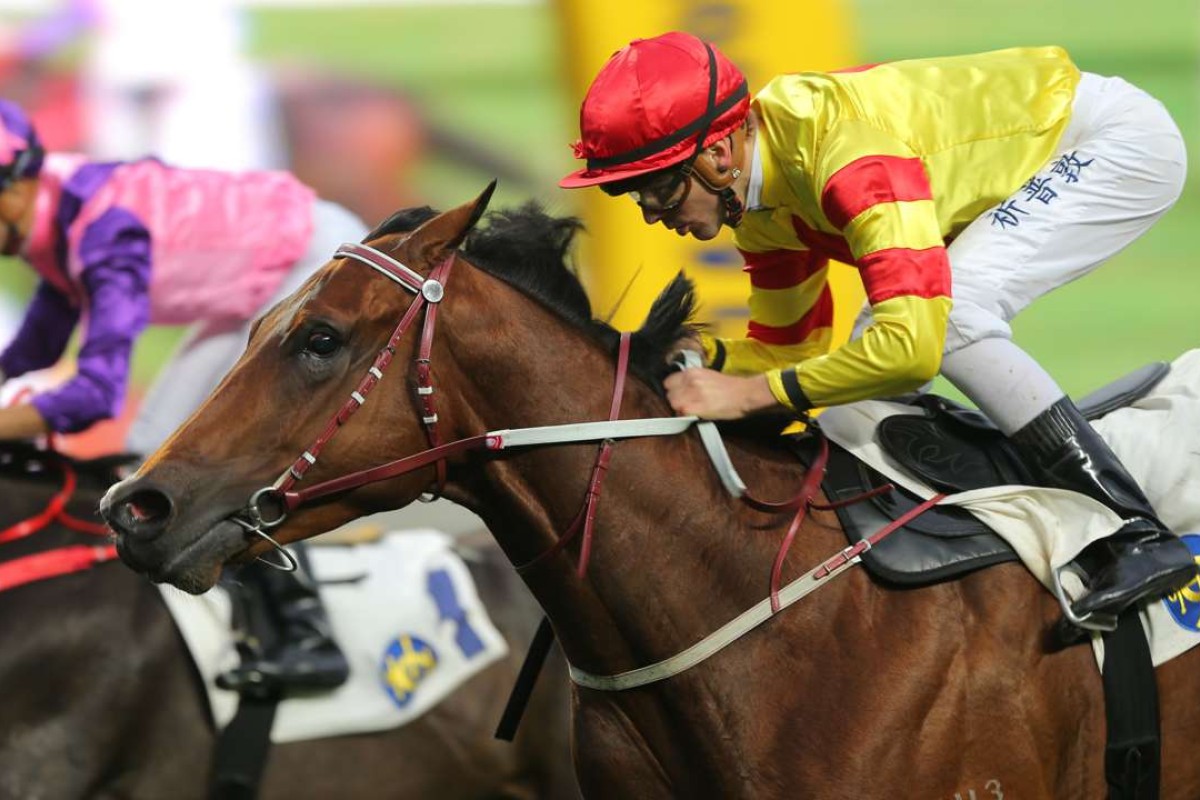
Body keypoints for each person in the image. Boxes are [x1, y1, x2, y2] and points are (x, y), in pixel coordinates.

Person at [560, 32, 1196, 631]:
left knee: (949, 316)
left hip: (1111, 144)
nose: (648, 212)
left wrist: (749, 394)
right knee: (870, 359)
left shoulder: (844, 155)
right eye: (630, 195)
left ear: (719, 154)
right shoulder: (755, 204)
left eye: (657, 187)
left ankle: (1135, 533)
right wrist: (704, 355)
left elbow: (913, 350)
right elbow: (795, 351)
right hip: (1040, 153)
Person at [0, 98, 350, 688]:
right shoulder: (52, 204)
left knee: (166, 454)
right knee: (146, 453)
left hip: (309, 263)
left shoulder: (103, 228)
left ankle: (304, 632)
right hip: (263, 271)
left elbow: (95, 396)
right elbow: (37, 343)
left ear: (16, 186)